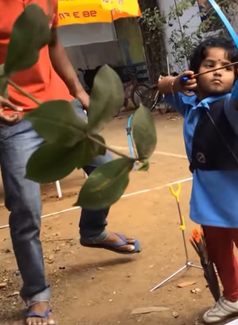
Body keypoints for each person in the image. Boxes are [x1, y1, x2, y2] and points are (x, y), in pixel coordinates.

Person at [0, 1, 141, 324]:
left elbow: (53, 43)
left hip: (61, 106)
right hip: (14, 118)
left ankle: (93, 231)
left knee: (109, 170)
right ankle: (36, 293)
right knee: (25, 207)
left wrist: (78, 91)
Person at [157, 37, 238, 325]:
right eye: (209, 65)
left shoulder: (229, 107)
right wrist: (176, 82)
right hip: (206, 199)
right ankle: (233, 297)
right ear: (195, 72)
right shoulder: (189, 104)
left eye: (226, 67)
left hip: (235, 200)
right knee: (219, 253)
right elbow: (162, 85)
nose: (216, 71)